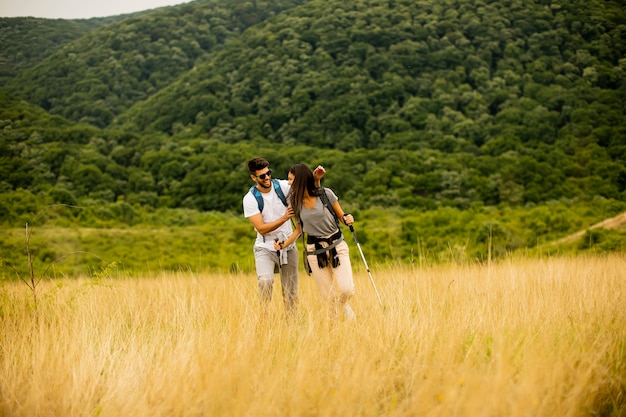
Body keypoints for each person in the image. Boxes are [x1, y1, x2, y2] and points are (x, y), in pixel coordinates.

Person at [243, 157, 324, 318]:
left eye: (268, 173)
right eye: (262, 176)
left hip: (289, 245)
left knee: (290, 292)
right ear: (253, 178)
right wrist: (284, 218)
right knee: (265, 281)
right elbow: (261, 228)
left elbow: (305, 188)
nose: (267, 178)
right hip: (265, 247)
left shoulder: (282, 186)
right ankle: (264, 315)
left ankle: (291, 325)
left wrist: (316, 179)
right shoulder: (250, 199)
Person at [274, 164, 356, 321]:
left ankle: (343, 306)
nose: (289, 183)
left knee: (347, 290)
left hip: (336, 245)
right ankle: (335, 332)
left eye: (291, 179)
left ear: (300, 180)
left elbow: (342, 216)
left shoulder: (326, 194)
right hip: (314, 251)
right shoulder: (295, 203)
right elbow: (298, 230)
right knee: (328, 298)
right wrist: (283, 244)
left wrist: (348, 219)